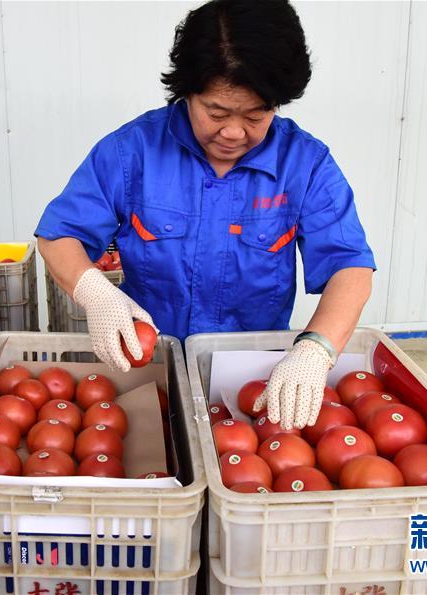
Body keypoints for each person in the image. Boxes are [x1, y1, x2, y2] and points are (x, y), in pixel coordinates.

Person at [36, 0, 375, 430]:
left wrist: (315, 348)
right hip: (150, 370)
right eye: (216, 112)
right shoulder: (132, 151)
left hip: (253, 382)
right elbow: (59, 234)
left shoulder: (305, 164)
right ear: (187, 93)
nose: (233, 132)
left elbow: (349, 265)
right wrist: (95, 292)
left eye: (255, 115)